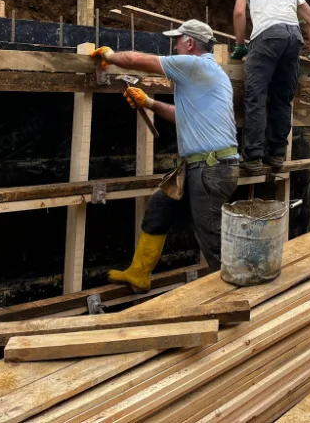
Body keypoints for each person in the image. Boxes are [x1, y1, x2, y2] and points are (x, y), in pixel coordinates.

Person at [92, 20, 240, 291]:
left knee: (210, 236)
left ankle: (235, 294)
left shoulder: (195, 65)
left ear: (190, 43)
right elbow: (181, 115)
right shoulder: (204, 75)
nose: (174, 45)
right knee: (161, 207)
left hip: (210, 168)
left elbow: (137, 59)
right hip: (200, 166)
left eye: (178, 40)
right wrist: (148, 103)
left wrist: (110, 56)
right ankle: (139, 273)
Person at [230, 0, 310, 172]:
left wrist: (240, 45)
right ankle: (277, 154)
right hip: (293, 38)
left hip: (267, 35)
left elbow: (239, 12)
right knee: (282, 98)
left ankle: (253, 156)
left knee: (256, 94)